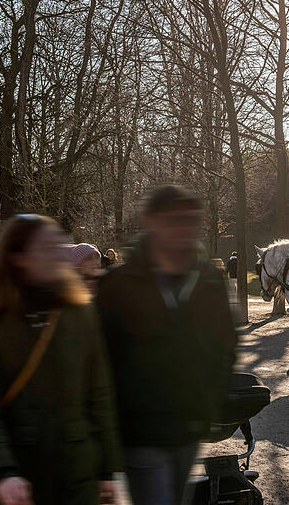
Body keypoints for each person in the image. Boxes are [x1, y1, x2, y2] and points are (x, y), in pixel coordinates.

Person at [96, 185, 237, 505]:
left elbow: (226, 346)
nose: (184, 229)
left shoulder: (208, 280)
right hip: (140, 434)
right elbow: (99, 366)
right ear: (152, 222)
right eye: (174, 220)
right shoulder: (118, 285)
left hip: (188, 428)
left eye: (190, 220)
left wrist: (208, 401)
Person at [0, 214, 120, 505]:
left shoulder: (79, 314)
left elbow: (99, 395)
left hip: (77, 476)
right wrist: (3, 472)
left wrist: (107, 470)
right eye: (46, 248)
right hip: (17, 480)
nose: (57, 255)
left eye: (58, 246)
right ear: (19, 258)